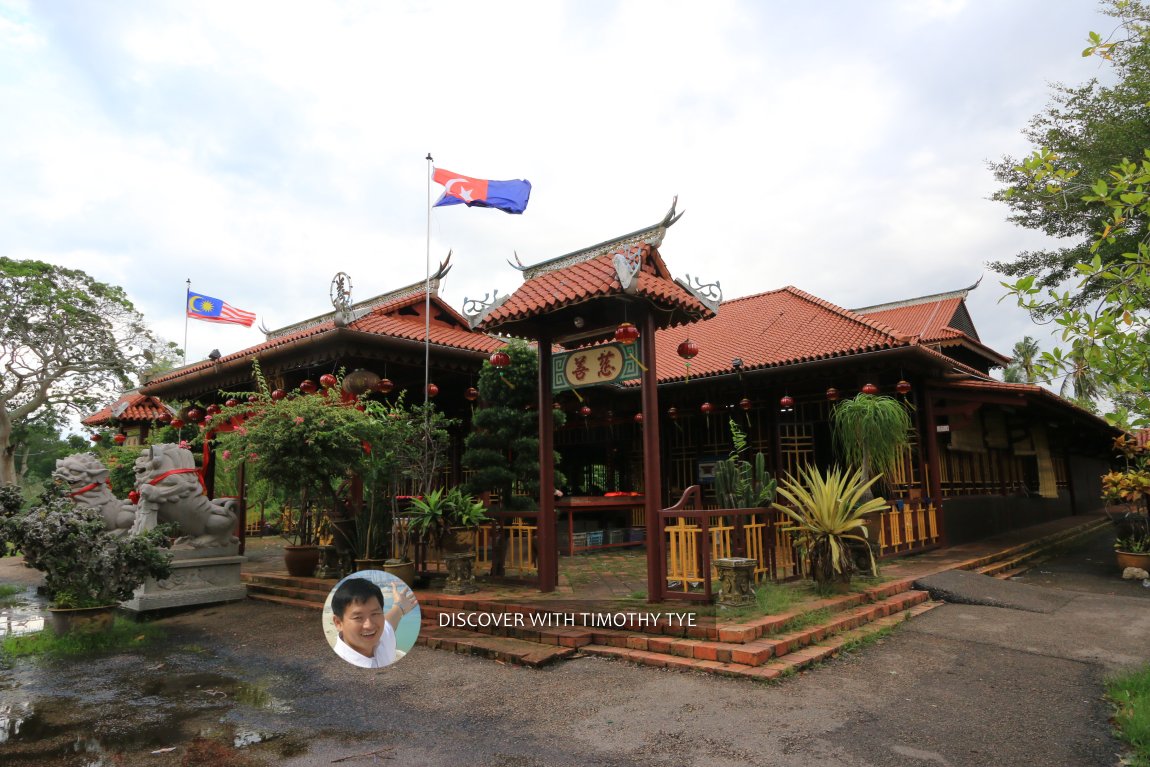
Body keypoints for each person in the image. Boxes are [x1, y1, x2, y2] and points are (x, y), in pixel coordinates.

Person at [330, 577, 417, 668]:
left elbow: (390, 621)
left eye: (375, 614)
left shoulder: (382, 637)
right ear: (338, 623)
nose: (369, 625)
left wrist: (400, 607)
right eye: (358, 617)